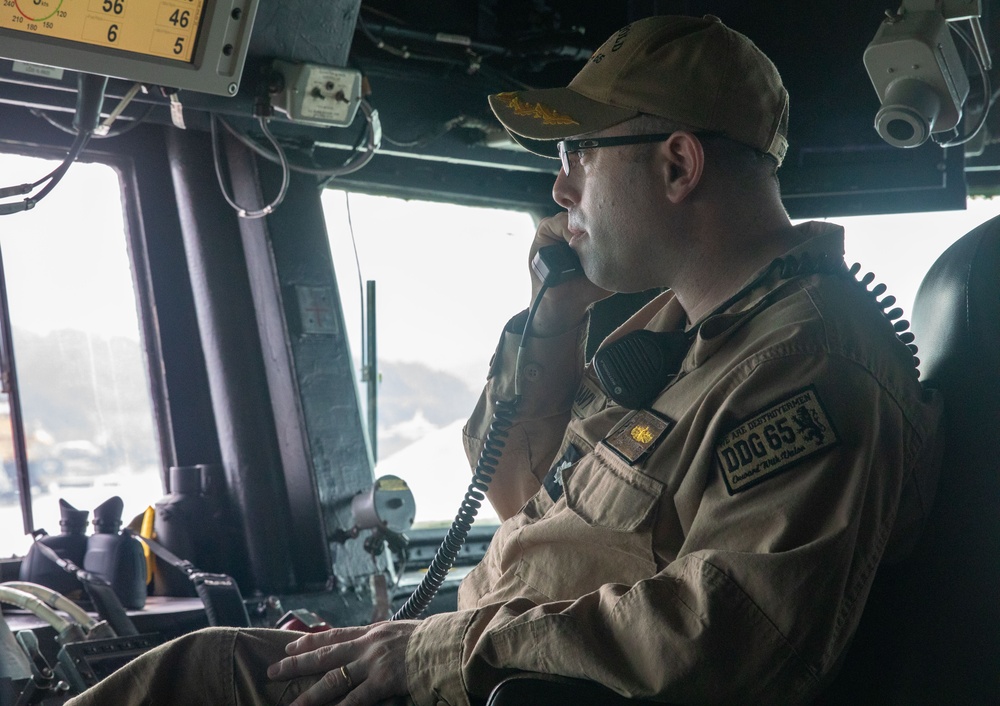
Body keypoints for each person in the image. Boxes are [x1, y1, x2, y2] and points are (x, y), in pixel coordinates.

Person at [65, 14, 942, 706]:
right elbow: (518, 486)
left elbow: (727, 639)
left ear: (678, 164)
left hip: (504, 690)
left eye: (579, 154)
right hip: (482, 673)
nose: (560, 190)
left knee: (206, 681)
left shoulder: (811, 365)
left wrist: (432, 652)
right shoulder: (680, 340)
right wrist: (554, 317)